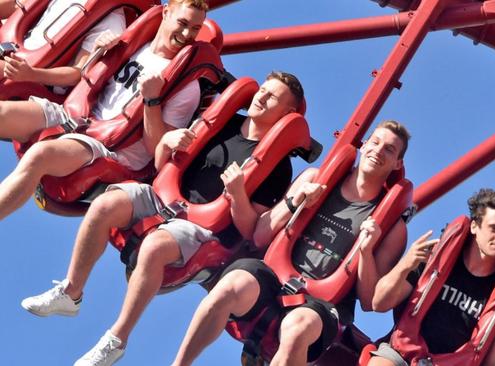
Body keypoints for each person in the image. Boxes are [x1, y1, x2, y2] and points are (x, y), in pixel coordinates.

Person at [20, 70, 304, 366]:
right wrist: (168, 143)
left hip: (203, 228)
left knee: (155, 246)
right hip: (163, 198)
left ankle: (116, 339)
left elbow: (251, 229)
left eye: (273, 98)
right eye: (264, 91)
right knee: (106, 204)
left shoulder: (279, 167)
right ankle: (71, 292)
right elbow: (162, 164)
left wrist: (238, 195)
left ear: (288, 113)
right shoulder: (220, 121)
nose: (262, 98)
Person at [171, 121, 411, 366]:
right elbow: (260, 235)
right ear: (364, 146)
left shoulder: (393, 229)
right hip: (273, 278)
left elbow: (370, 299)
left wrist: (367, 250)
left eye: (390, 150)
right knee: (229, 285)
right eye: (376, 143)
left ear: (397, 164)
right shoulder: (314, 178)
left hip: (324, 304)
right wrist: (294, 203)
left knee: (297, 329)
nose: (379, 151)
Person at [0, 0, 209, 222]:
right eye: (183, 23)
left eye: (195, 28)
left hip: (107, 145)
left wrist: (152, 100)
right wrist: (101, 51)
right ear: (166, 13)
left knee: (40, 156)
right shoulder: (134, 41)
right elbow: (88, 79)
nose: (186, 33)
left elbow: (156, 148)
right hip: (74, 116)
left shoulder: (186, 85)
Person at [368, 188, 495, 366]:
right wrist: (406, 264)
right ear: (475, 226)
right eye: (494, 228)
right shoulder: (433, 262)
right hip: (401, 354)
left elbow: (494, 362)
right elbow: (379, 303)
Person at [1, 0, 125, 90]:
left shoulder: (111, 19)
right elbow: (16, 5)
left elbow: (78, 73)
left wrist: (32, 74)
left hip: (35, 76)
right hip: (10, 49)